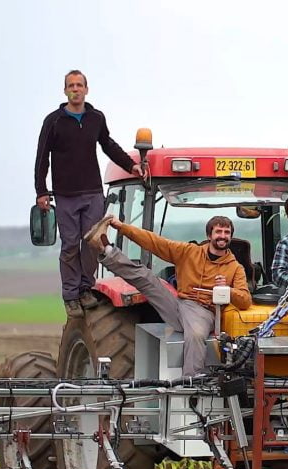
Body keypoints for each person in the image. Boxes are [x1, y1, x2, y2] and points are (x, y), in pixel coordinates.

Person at [34, 69, 144, 319]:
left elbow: (108, 145)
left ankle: (86, 288)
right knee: (70, 244)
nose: (75, 89)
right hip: (65, 195)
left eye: (79, 85)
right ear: (65, 91)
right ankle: (71, 296)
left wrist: (131, 165)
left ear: (86, 89)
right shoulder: (53, 121)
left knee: (93, 243)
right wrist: (41, 191)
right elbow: (42, 158)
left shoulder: (96, 118)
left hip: (93, 192)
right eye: (71, 85)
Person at [84, 214, 251, 376]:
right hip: (179, 304)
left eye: (226, 232)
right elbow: (154, 242)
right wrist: (121, 227)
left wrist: (227, 290)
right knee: (146, 277)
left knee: (196, 334)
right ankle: (105, 248)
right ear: (209, 235)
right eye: (218, 232)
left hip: (202, 312)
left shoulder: (235, 268)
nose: (222, 236)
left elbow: (245, 300)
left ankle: (191, 382)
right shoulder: (189, 252)